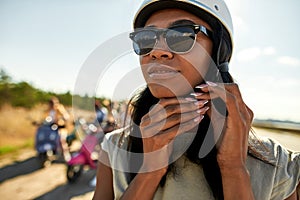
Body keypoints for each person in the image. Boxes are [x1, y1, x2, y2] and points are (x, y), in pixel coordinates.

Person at [93, 0, 300, 199]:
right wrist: (149, 171)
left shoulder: (278, 164)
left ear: (218, 52)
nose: (157, 51)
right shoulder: (115, 148)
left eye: (182, 35)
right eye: (146, 39)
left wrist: (233, 167)